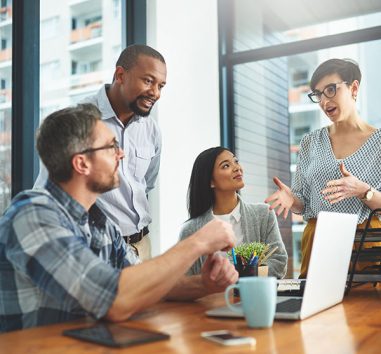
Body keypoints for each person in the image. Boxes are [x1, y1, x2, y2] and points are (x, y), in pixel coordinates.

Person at [0, 104, 238, 332]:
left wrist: (204, 284)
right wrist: (197, 243)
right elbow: (114, 299)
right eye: (111, 146)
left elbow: (142, 284)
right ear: (81, 162)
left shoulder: (100, 222)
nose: (121, 154)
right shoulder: (33, 214)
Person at [35, 44, 167, 260]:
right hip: (95, 248)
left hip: (142, 245)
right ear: (120, 75)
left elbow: (147, 184)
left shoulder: (151, 129)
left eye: (161, 85)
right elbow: (48, 190)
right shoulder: (81, 119)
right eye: (148, 81)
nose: (155, 93)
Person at [265, 58, 381, 278]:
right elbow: (303, 203)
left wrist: (362, 191)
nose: (324, 101)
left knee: (366, 310)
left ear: (353, 88)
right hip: (319, 242)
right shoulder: (310, 142)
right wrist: (292, 200)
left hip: (366, 244)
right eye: (318, 94)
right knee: (314, 309)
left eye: (331, 90)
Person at [179, 147, 288, 278]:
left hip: (253, 296)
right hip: (211, 298)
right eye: (226, 165)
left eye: (236, 161)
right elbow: (185, 279)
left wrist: (243, 277)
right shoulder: (190, 230)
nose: (237, 168)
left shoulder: (263, 214)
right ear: (211, 181)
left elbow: (279, 262)